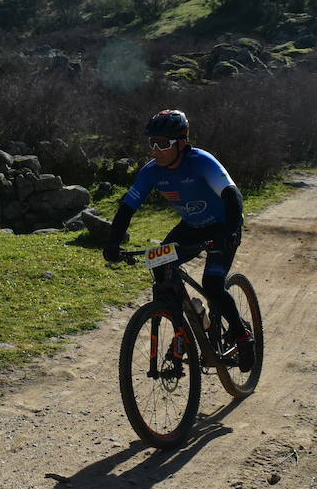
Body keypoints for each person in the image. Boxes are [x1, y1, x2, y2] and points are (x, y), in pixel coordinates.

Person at [103, 109, 254, 369]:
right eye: (152, 143)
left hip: (222, 227)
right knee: (160, 266)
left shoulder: (201, 162)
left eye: (163, 143)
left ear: (182, 142)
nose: (155, 149)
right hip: (191, 228)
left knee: (213, 283)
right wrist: (113, 243)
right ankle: (185, 327)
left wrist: (229, 232)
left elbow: (232, 195)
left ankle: (242, 335)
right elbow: (127, 208)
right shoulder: (152, 172)